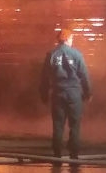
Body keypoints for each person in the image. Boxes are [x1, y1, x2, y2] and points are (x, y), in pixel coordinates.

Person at [39, 27, 92, 164]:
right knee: (74, 125)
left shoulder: (51, 54)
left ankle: (57, 155)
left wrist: (44, 94)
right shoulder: (77, 54)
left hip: (58, 93)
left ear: (59, 40)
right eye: (72, 38)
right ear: (68, 39)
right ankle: (74, 155)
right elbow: (84, 75)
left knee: (58, 125)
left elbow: (44, 77)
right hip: (74, 94)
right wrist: (88, 92)